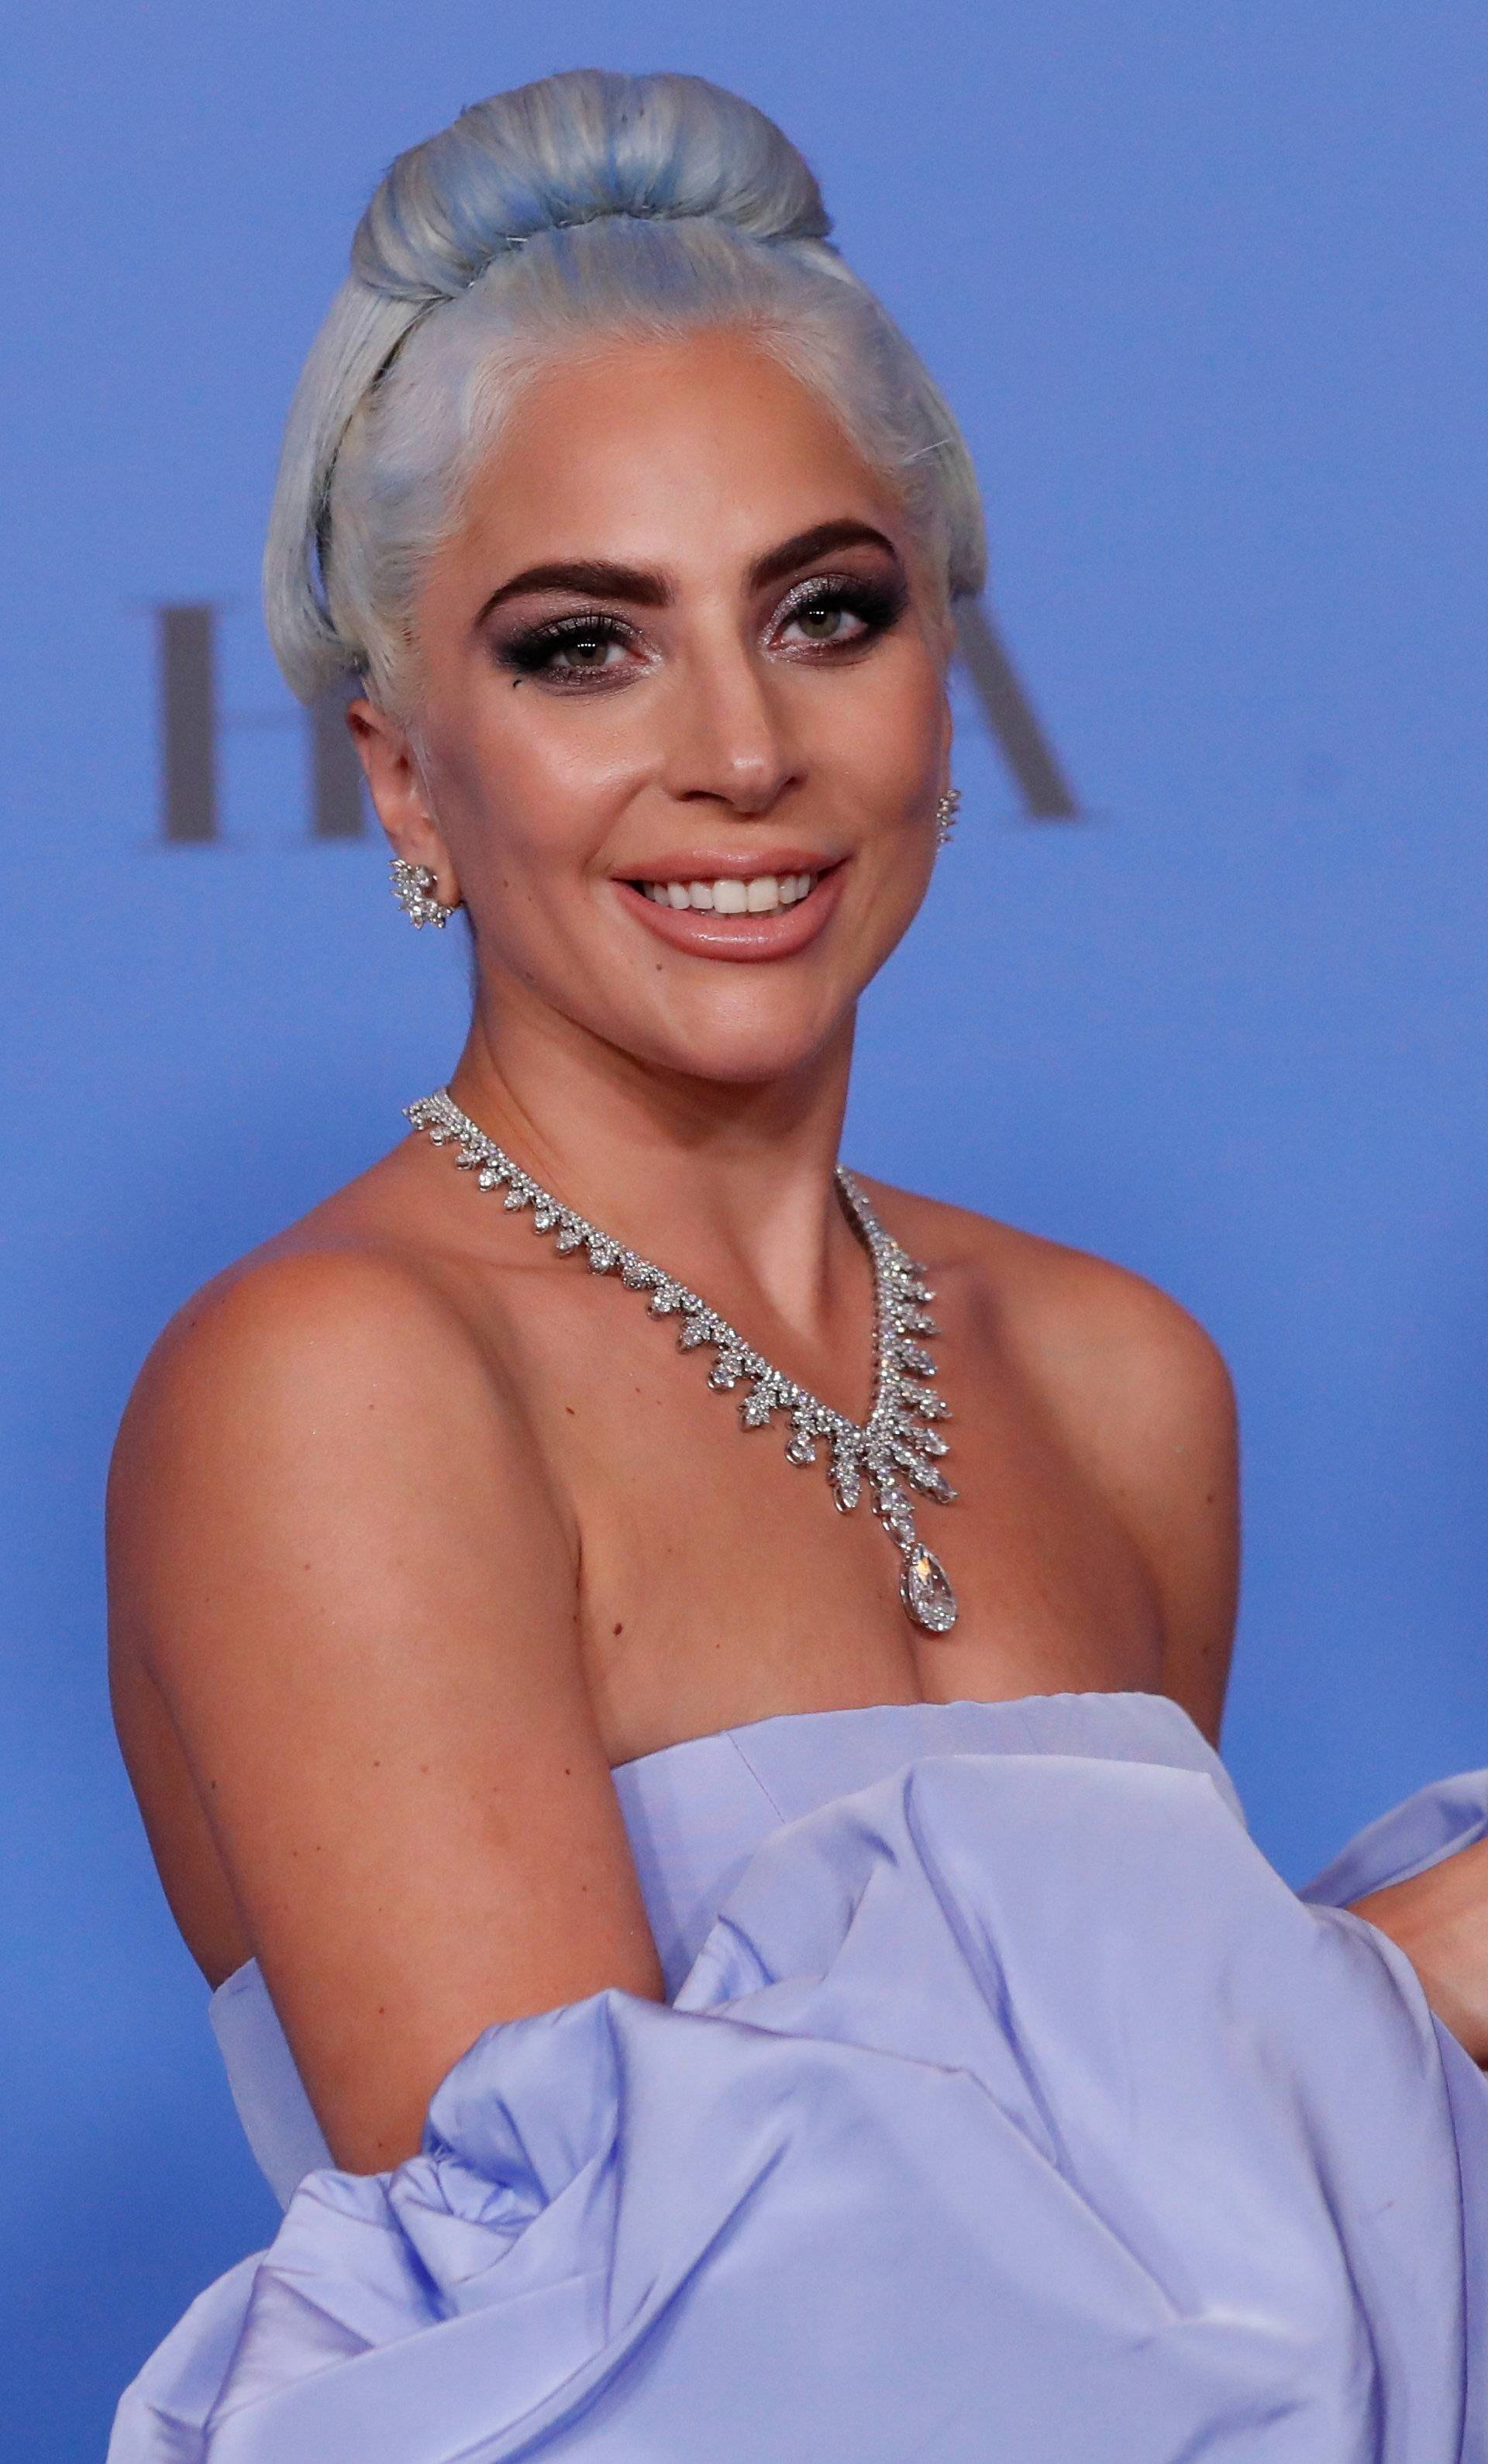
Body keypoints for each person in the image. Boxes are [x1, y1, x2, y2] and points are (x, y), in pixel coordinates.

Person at [108, 68, 1488, 2462]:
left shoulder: (1115, 1376)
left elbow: (1222, 2287)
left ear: (942, 687)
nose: (740, 748)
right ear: (406, 777)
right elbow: (636, 2349)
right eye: (585, 647)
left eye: (827, 611)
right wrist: (1405, 1976)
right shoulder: (331, 1380)